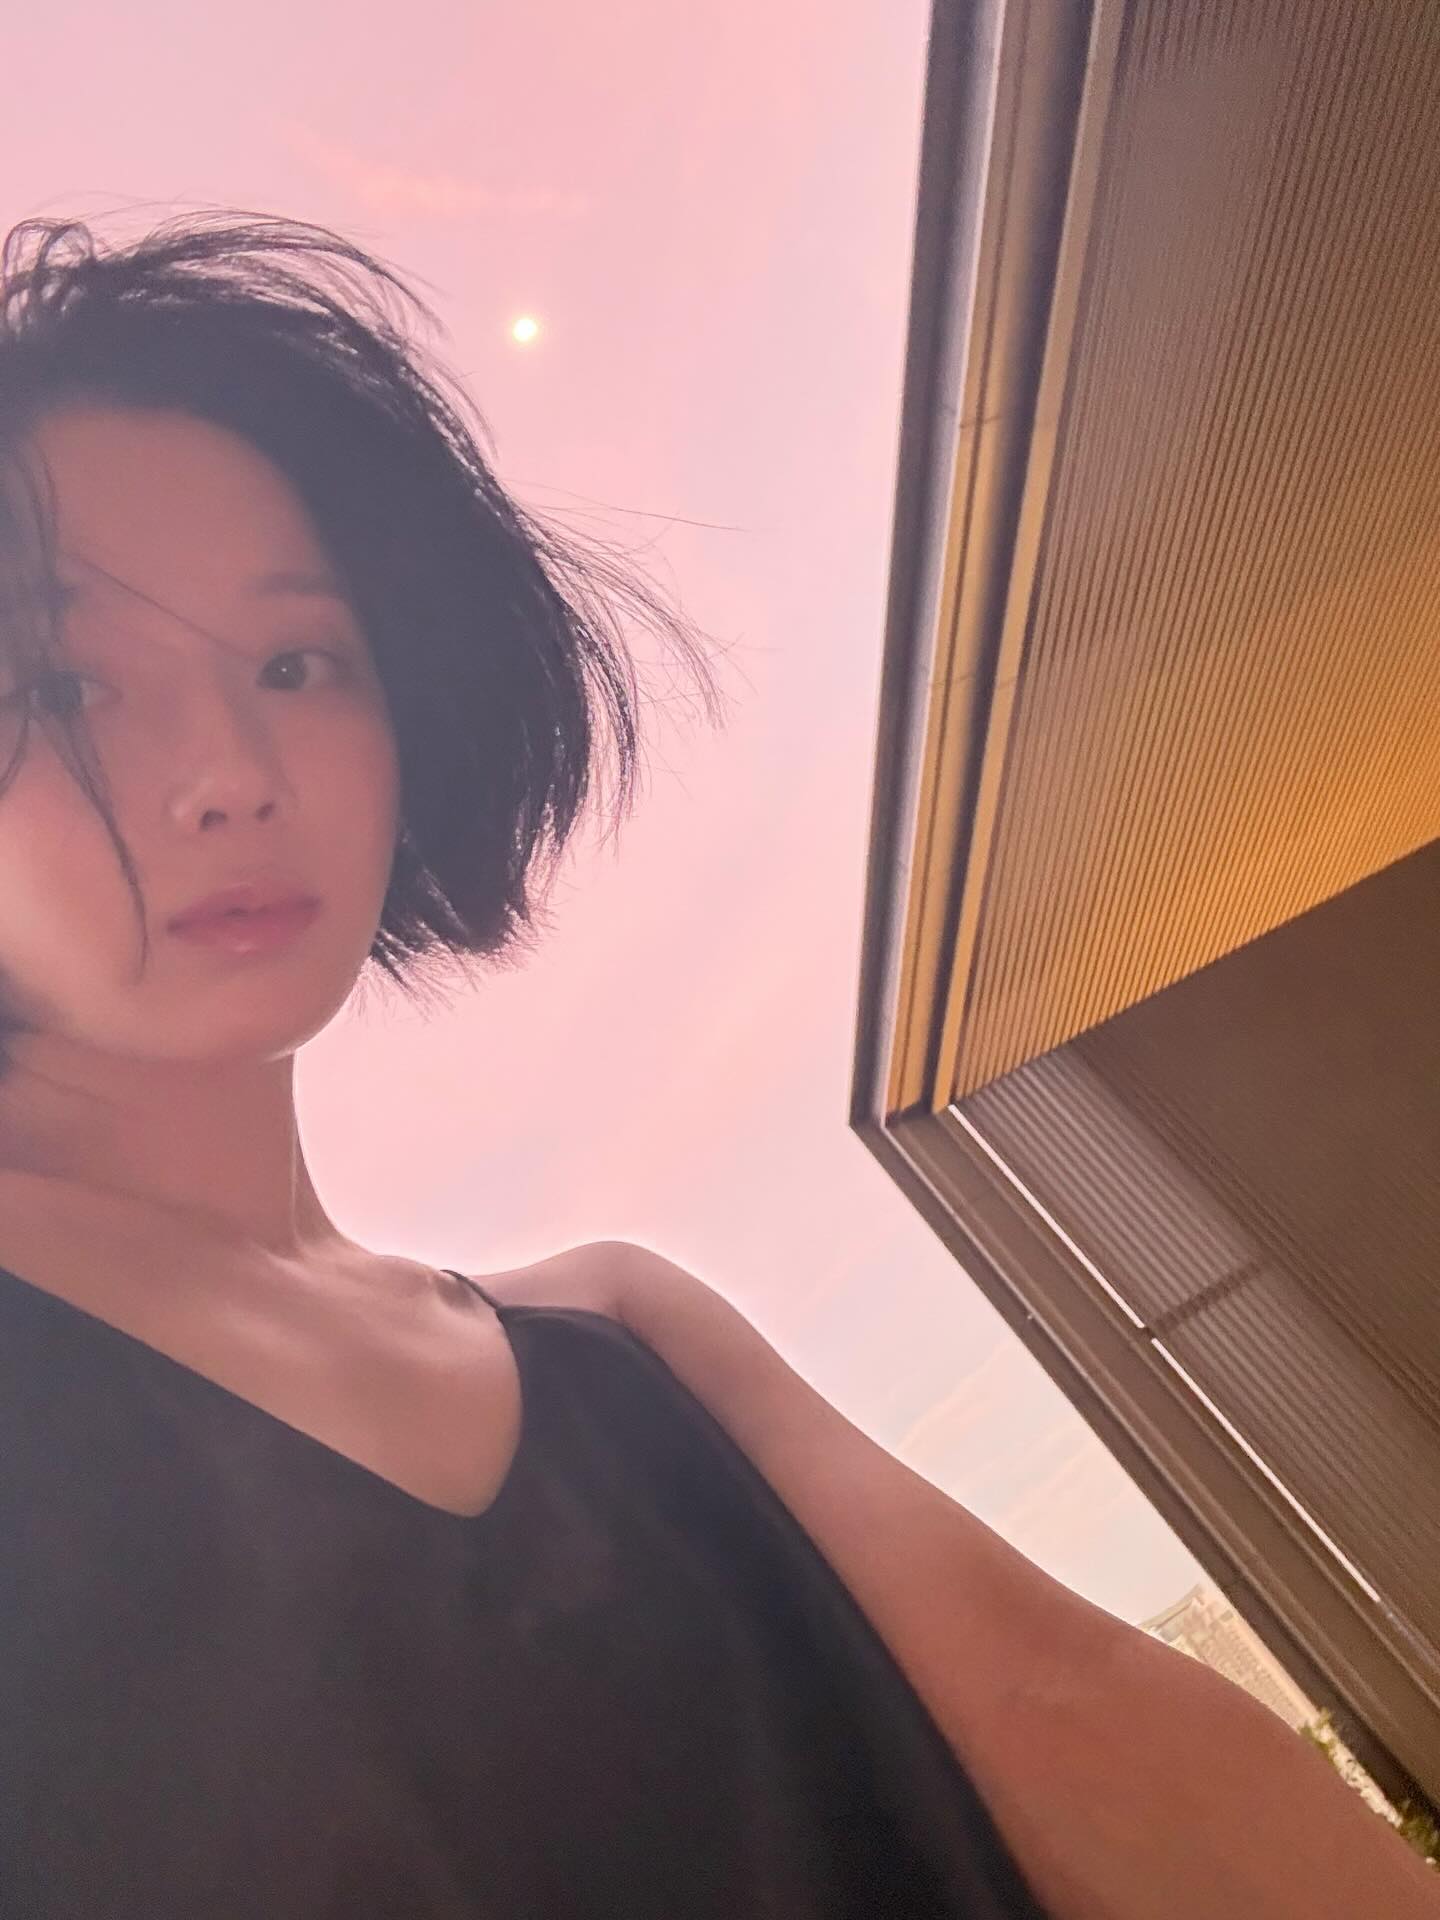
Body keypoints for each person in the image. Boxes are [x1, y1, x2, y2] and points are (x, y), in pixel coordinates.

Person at [0, 213, 1433, 1920]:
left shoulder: (622, 1336)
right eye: (64, 686)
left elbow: (1108, 1735)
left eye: (297, 662)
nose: (229, 769)